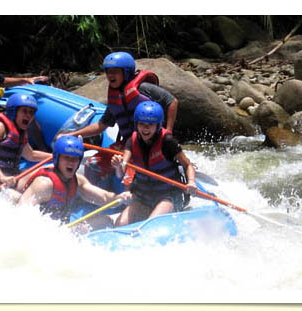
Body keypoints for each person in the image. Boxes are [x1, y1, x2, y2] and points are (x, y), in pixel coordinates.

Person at [61, 51, 179, 191]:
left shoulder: (144, 88)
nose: (110, 75)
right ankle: (101, 198)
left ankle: (135, 201)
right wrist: (73, 134)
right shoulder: (114, 97)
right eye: (108, 72)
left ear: (127, 72)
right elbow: (101, 125)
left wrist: (169, 131)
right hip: (128, 145)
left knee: (129, 173)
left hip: (150, 144)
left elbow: (172, 101)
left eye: (115, 71)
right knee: (92, 164)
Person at [110, 101, 196, 226]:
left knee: (151, 225)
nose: (145, 128)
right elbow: (121, 171)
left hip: (168, 195)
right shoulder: (132, 141)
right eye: (141, 124)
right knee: (120, 224)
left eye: (150, 124)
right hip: (143, 196)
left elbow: (188, 165)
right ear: (136, 124)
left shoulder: (168, 141)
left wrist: (191, 181)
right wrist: (118, 166)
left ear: (157, 125)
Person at [18, 135, 131, 230]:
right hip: (43, 232)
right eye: (67, 158)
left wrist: (119, 198)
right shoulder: (44, 184)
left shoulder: (77, 180)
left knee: (106, 220)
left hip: (64, 230)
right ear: (57, 159)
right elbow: (19, 215)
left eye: (75, 159)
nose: (71, 163)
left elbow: (104, 197)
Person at [0, 93, 51, 191]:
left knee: (44, 174)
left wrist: (54, 156)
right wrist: (2, 177)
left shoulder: (20, 133)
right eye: (24, 111)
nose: (29, 116)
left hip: (10, 178)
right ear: (14, 111)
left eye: (31, 113)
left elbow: (31, 155)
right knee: (17, 198)